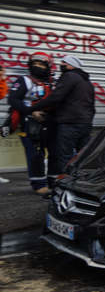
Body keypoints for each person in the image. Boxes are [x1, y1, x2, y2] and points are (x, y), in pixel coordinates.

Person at [29, 55, 95, 178]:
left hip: (70, 123)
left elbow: (56, 97)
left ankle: (66, 185)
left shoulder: (69, 76)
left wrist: (33, 108)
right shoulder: (87, 81)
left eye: (63, 63)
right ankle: (84, 180)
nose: (61, 65)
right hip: (85, 124)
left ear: (71, 65)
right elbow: (91, 104)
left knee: (65, 156)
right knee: (83, 155)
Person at [6, 57, 55, 194]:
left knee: (55, 153)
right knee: (35, 154)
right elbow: (13, 99)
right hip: (30, 124)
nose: (37, 66)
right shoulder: (24, 81)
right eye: (35, 64)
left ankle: (54, 182)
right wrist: (31, 112)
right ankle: (39, 185)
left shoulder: (52, 83)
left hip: (50, 123)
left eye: (41, 64)